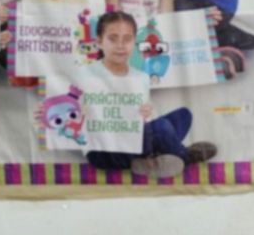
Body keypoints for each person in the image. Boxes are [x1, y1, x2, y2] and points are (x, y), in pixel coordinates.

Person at [81, 12, 216, 179]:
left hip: (131, 139)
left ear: (134, 43)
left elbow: (139, 119)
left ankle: (145, 161)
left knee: (183, 115)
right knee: (162, 128)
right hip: (104, 151)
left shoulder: (139, 77)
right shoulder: (87, 75)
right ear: (100, 42)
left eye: (127, 39)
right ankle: (185, 156)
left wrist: (143, 112)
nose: (120, 45)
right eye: (113, 39)